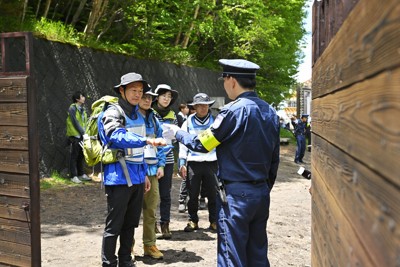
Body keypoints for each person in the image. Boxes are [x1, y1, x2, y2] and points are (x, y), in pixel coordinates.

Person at [163, 59, 280, 267]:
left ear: (232, 80)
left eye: (224, 79)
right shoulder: (269, 112)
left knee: (231, 256)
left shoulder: (232, 111)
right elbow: (274, 158)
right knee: (258, 254)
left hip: (236, 195)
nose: (224, 85)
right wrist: (263, 187)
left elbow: (203, 144)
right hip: (261, 193)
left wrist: (178, 133)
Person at [99, 72, 166, 267]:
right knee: (114, 224)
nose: (138, 95)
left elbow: (140, 153)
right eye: (133, 90)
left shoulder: (139, 114)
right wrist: (146, 140)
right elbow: (115, 135)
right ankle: (109, 262)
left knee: (130, 224)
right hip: (118, 178)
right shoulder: (113, 112)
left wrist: (145, 173)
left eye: (140, 91)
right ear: (122, 90)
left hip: (137, 176)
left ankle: (126, 260)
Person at [178, 93, 218, 232]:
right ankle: (192, 220)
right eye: (200, 105)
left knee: (214, 194)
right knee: (192, 193)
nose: (203, 108)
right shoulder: (188, 121)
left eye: (205, 105)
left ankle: (214, 220)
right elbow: (183, 142)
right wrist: (182, 162)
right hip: (194, 162)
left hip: (212, 162)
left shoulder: (215, 121)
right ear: (194, 107)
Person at [135, 88, 166, 259]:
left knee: (151, 209)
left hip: (152, 171)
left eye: (150, 98)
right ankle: (128, 247)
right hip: (133, 171)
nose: (147, 100)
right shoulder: (131, 116)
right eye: (144, 97)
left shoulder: (154, 118)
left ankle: (150, 245)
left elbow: (161, 142)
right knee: (130, 211)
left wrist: (161, 165)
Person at [152, 83, 179, 239]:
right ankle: (152, 223)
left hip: (168, 158)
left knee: (165, 193)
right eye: (164, 96)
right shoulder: (150, 112)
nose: (167, 99)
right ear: (157, 97)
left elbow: (175, 136)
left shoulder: (173, 115)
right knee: (151, 194)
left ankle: (165, 224)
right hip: (151, 158)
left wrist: (172, 138)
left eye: (169, 97)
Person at [65, 91, 91, 183]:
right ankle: (73, 176)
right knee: (74, 156)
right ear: (77, 99)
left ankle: (81, 174)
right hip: (75, 135)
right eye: (82, 96)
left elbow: (85, 122)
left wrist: (85, 133)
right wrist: (83, 132)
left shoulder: (82, 109)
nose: (84, 97)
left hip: (82, 135)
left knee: (81, 155)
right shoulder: (72, 108)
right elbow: (75, 122)